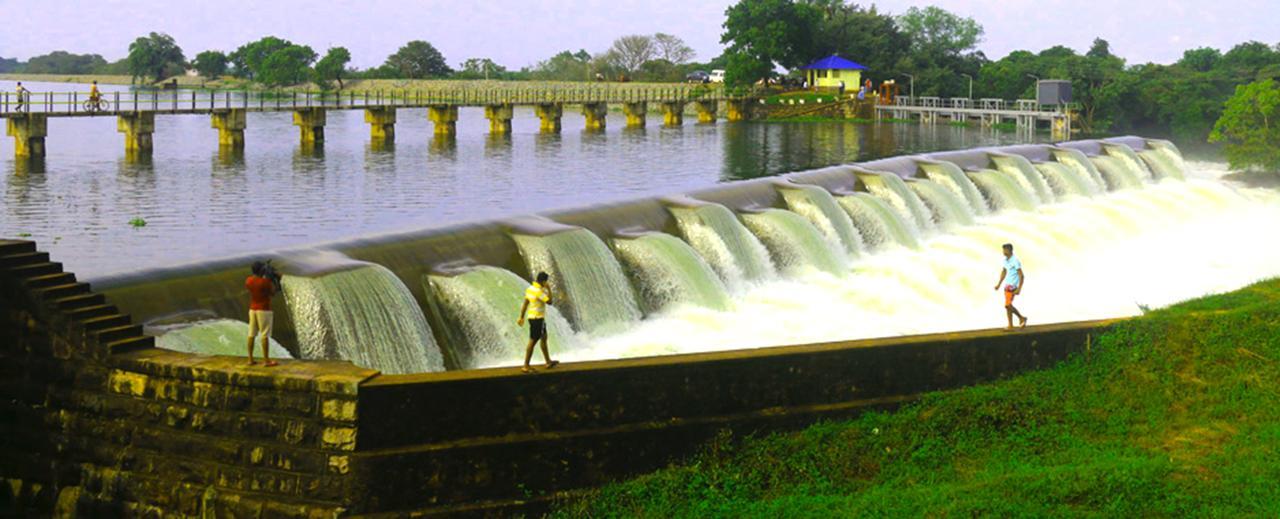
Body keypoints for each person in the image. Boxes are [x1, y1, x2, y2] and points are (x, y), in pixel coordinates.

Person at [517, 272, 559, 373]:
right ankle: (526, 365)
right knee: (533, 341)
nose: (547, 283)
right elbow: (549, 302)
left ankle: (548, 361)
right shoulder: (539, 292)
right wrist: (549, 289)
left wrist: (521, 317)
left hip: (534, 318)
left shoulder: (530, 289)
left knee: (544, 337)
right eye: (546, 281)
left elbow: (525, 304)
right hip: (537, 319)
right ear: (544, 281)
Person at [245, 261, 278, 366]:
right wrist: (271, 279)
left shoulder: (248, 281)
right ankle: (266, 360)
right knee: (264, 335)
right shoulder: (265, 282)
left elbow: (254, 286)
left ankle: (250, 359)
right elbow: (273, 292)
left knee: (251, 334)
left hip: (252, 309)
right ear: (261, 270)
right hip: (264, 310)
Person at [993, 243, 1027, 330]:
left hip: (1013, 286)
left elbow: (1021, 275)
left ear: (1010, 250)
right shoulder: (1005, 260)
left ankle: (1021, 318)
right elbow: (1004, 271)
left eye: (1005, 250)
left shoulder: (1015, 260)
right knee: (1008, 306)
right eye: (1003, 250)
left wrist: (1019, 288)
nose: (1003, 252)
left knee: (1007, 305)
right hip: (1007, 285)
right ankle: (1010, 325)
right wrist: (999, 284)